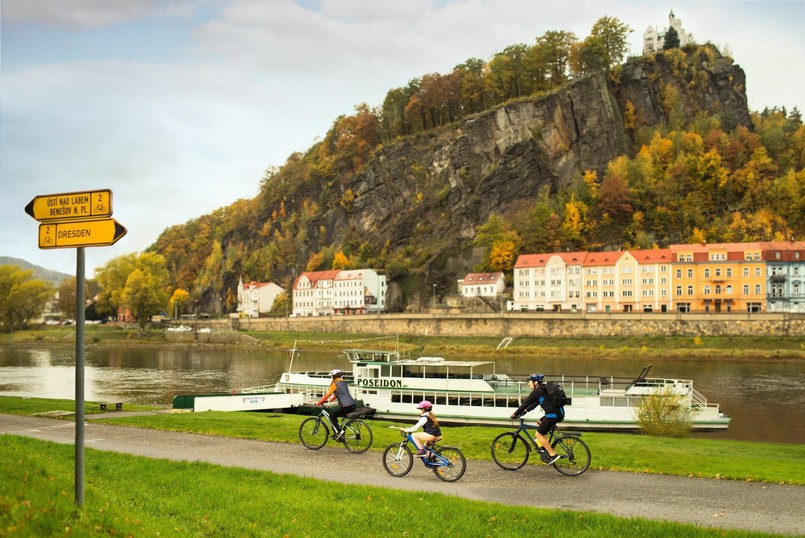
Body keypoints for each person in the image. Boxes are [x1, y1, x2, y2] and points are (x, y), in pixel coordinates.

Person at [510, 373, 564, 465]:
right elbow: (535, 403)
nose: (528, 384)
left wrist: (515, 414)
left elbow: (526, 403)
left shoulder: (537, 391)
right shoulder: (543, 389)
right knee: (540, 423)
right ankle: (544, 449)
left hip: (552, 415)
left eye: (529, 382)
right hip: (558, 413)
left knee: (538, 434)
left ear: (535, 382)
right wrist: (526, 411)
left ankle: (552, 454)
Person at [315, 369, 356, 439]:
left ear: (335, 377)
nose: (331, 378)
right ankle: (337, 432)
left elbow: (327, 395)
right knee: (335, 415)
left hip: (346, 406)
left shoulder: (334, 384)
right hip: (352, 405)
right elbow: (339, 394)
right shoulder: (344, 383)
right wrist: (330, 400)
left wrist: (319, 402)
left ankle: (340, 432)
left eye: (332, 376)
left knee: (331, 416)